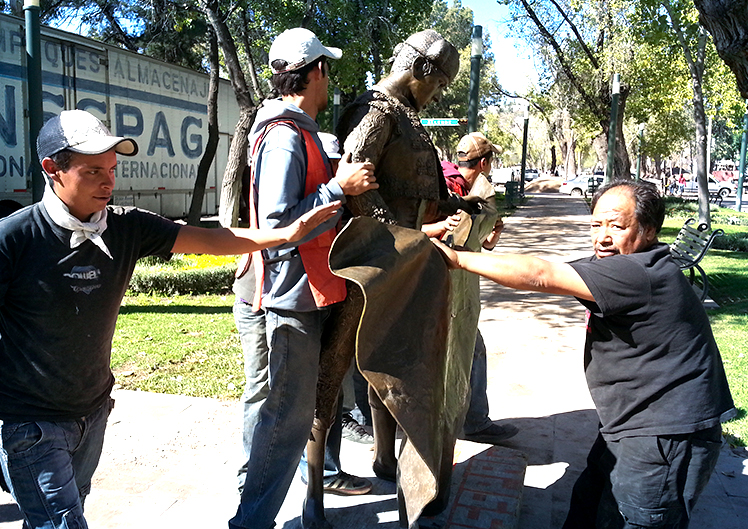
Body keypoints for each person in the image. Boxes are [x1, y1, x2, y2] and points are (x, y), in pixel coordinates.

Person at [0, 108, 361, 529]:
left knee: (51, 516)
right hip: (31, 424)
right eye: (93, 170)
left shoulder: (124, 227)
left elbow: (212, 240)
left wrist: (285, 234)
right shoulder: (15, 238)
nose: (108, 181)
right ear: (52, 170)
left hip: (92, 411)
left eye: (112, 169)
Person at [433, 179, 736, 529]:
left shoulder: (638, 273)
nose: (602, 237)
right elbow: (548, 269)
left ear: (649, 230)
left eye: (617, 226)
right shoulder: (626, 265)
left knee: (633, 518)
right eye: (595, 225)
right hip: (629, 423)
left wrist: (457, 258)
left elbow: (541, 275)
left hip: (665, 435)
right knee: (589, 505)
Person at [228, 28, 378, 529]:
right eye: (326, 70)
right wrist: (339, 186)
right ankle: (251, 519)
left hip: (292, 290)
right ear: (315, 72)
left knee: (274, 412)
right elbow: (277, 227)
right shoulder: (287, 136)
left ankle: (252, 502)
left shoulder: (296, 130)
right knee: (287, 420)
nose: (329, 80)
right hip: (287, 295)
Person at [232, 130, 372, 495]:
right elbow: (284, 229)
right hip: (261, 300)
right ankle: (254, 478)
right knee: (264, 390)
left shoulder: (330, 199)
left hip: (300, 301)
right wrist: (336, 191)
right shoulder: (309, 191)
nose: (337, 170)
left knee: (314, 389)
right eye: (330, 166)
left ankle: (317, 472)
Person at [422, 132, 518, 445]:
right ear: (485, 162)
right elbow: (452, 239)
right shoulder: (461, 191)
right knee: (453, 355)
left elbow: (485, 243)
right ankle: (450, 424)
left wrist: (495, 230)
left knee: (470, 350)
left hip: (449, 287)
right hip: (448, 289)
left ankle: (470, 420)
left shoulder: (461, 188)